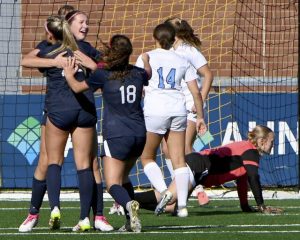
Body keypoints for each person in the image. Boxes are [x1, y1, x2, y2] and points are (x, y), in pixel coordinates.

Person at [18, 12, 113, 233]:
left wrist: (65, 60)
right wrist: (73, 61)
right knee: (84, 165)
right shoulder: (72, 49)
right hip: (82, 110)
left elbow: (26, 60)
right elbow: (104, 69)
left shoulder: (63, 48)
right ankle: (84, 218)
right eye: (82, 22)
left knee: (55, 161)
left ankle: (58, 209)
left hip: (61, 109)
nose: (86, 26)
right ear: (67, 27)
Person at [63, 34, 151, 232]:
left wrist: (69, 74)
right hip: (139, 134)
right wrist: (146, 60)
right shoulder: (138, 73)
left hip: (117, 134)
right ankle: (130, 222)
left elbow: (78, 88)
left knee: (112, 184)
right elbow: (148, 73)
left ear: (111, 51)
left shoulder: (102, 75)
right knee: (125, 178)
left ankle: (129, 205)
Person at [135, 23, 207, 218]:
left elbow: (138, 87)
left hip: (155, 110)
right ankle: (182, 205)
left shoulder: (146, 57)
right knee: (179, 160)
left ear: (155, 38)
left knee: (147, 156)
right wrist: (200, 117)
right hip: (178, 110)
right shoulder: (182, 59)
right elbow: (195, 93)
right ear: (174, 38)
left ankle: (165, 192)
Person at [134, 125, 284, 215]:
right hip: (198, 166)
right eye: (272, 141)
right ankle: (127, 199)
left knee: (172, 207)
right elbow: (253, 177)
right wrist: (261, 206)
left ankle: (129, 202)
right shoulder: (251, 151)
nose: (273, 145)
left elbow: (242, 181)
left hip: (198, 168)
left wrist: (245, 206)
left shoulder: (247, 151)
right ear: (262, 141)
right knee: (170, 198)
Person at [162, 17, 214, 206]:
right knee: (166, 149)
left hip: (191, 105)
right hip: (173, 105)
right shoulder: (167, 51)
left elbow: (208, 74)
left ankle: (197, 187)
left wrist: (201, 98)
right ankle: (177, 190)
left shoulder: (189, 51)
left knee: (183, 148)